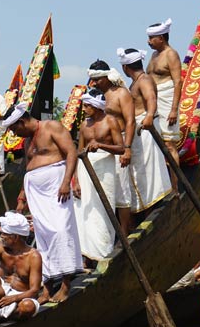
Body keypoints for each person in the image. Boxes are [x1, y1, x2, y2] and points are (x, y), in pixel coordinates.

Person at [4, 102, 83, 302]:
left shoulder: (52, 127)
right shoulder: (28, 141)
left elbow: (71, 152)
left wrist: (67, 182)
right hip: (36, 192)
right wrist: (22, 196)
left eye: (14, 129)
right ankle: (47, 289)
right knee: (42, 237)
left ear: (21, 122)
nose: (14, 134)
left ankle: (65, 285)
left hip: (56, 187)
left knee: (61, 231)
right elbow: (28, 168)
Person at [117, 47, 173, 216]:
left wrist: (149, 115)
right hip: (138, 130)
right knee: (140, 170)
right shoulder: (135, 82)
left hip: (146, 130)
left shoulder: (144, 80)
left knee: (148, 169)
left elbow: (151, 98)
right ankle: (145, 207)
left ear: (125, 67)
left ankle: (153, 206)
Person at [73, 90, 125, 263]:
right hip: (85, 168)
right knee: (84, 212)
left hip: (105, 167)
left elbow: (121, 148)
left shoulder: (110, 121)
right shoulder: (83, 125)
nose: (85, 108)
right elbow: (79, 152)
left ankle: (103, 253)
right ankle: (86, 256)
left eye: (88, 105)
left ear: (96, 106)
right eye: (84, 105)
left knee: (103, 209)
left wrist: (100, 145)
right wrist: (76, 180)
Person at [88, 59, 135, 237]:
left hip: (119, 144)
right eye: (93, 80)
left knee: (122, 189)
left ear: (106, 77)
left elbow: (131, 121)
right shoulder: (94, 95)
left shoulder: (120, 94)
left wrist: (127, 149)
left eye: (97, 79)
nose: (94, 83)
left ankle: (123, 231)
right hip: (99, 149)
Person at [0, 212, 44, 317]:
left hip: (22, 297)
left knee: (27, 307)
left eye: (4, 234)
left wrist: (13, 299)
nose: (1, 236)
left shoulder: (34, 256)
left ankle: (2, 317)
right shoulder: (1, 247)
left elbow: (34, 290)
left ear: (15, 237)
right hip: (1, 292)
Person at [146, 18, 182, 193]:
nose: (148, 41)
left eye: (152, 38)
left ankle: (175, 186)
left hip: (168, 100)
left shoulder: (171, 54)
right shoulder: (153, 55)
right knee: (153, 143)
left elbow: (178, 82)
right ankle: (160, 186)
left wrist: (174, 109)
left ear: (161, 37)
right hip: (152, 101)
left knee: (169, 144)